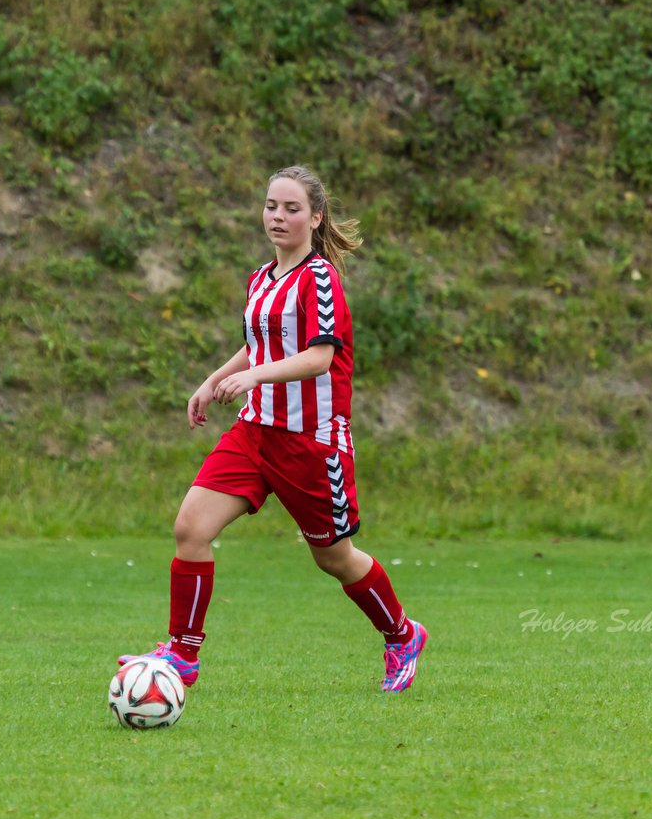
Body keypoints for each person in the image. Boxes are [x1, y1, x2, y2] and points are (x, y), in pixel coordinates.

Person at [119, 166, 426, 693]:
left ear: (315, 217)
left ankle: (401, 634)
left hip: (311, 442)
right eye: (271, 206)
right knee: (190, 529)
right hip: (255, 432)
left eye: (291, 209)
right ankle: (184, 656)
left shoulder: (320, 279)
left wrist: (253, 375)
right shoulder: (262, 277)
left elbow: (319, 357)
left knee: (333, 557)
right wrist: (213, 379)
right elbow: (257, 345)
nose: (278, 217)